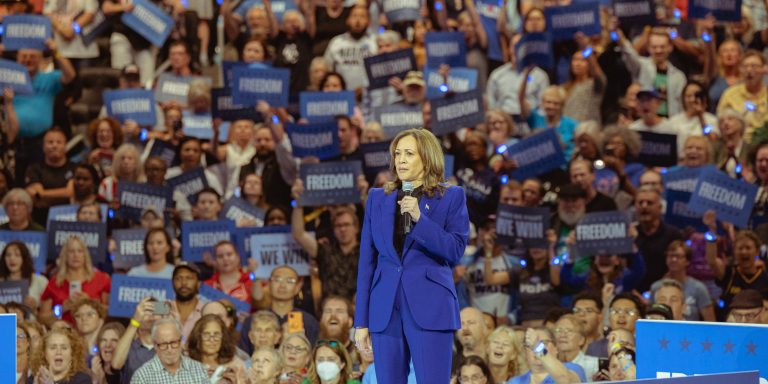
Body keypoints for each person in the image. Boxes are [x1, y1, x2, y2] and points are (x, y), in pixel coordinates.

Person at [354, 128, 470, 384]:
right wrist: (361, 322)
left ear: (427, 158)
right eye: (397, 154)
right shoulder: (377, 198)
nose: (401, 160)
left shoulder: (451, 197)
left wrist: (420, 220)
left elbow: (455, 250)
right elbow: (366, 264)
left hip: (430, 307)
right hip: (385, 310)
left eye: (409, 153)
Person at [39, 236, 111, 326]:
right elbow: (42, 318)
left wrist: (90, 302)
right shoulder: (54, 283)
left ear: (85, 255)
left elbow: (111, 312)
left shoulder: (102, 279)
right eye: (71, 251)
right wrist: (62, 309)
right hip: (65, 332)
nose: (76, 255)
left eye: (80, 251)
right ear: (65, 256)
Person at [649, 241, 715, 321]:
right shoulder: (656, 287)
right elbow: (650, 317)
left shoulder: (699, 288)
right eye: (670, 256)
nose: (674, 259)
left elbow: (710, 321)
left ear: (687, 261)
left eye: (678, 256)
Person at [130, 318, 209, 383]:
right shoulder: (142, 376)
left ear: (181, 341)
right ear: (155, 345)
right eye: (163, 344)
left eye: (173, 342)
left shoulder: (199, 370)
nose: (169, 349)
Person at [508, 328, 584, 384]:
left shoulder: (573, 368)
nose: (534, 349)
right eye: (530, 345)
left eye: (543, 343)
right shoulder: (515, 381)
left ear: (556, 348)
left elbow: (566, 380)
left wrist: (537, 347)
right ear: (525, 351)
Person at [187, 314, 248, 382]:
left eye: (216, 334)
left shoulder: (236, 365)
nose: (212, 340)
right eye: (206, 334)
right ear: (197, 337)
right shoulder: (186, 365)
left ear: (223, 337)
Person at [0, 241, 48, 311]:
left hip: (31, 321)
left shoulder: (40, 281)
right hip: (4, 322)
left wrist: (36, 307)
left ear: (24, 258)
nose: (12, 259)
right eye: (8, 255)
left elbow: (48, 315)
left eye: (17, 255)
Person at [554, 314, 598, 379]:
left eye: (569, 331)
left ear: (581, 340)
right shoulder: (547, 364)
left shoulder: (594, 366)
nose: (562, 335)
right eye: (558, 330)